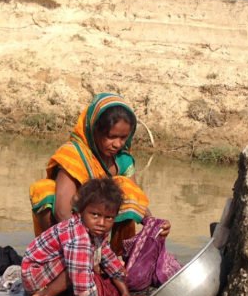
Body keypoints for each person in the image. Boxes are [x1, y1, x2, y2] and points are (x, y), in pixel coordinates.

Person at [28, 92, 169, 253]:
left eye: (123, 138)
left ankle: (116, 254)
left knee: (126, 188)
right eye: (111, 136)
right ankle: (55, 255)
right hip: (71, 234)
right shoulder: (73, 155)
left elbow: (135, 201)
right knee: (44, 190)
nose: (117, 144)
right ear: (95, 130)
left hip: (104, 229)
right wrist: (83, 245)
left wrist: (153, 223)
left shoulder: (123, 160)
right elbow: (62, 210)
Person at [21, 177, 143, 296]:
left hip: (49, 270)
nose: (101, 223)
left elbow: (110, 261)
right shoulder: (79, 238)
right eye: (95, 215)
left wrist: (125, 293)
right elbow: (81, 282)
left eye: (109, 218)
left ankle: (53, 292)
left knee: (90, 262)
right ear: (81, 211)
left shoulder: (95, 231)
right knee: (81, 265)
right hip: (35, 274)